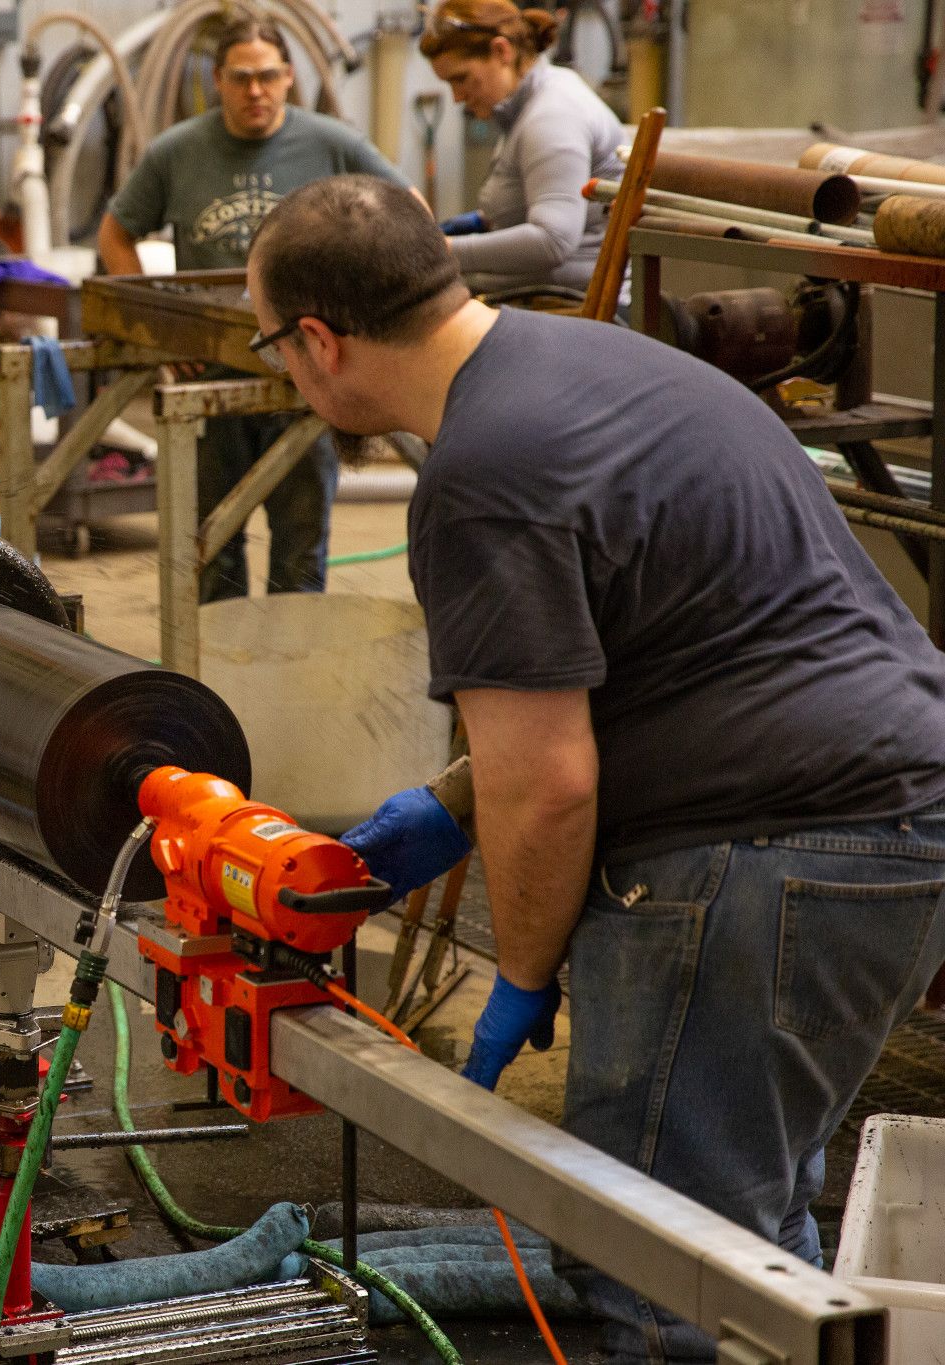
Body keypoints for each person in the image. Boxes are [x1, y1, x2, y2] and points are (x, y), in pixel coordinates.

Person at [252, 175, 945, 1364]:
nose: (282, 372)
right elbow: (661, 648)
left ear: (319, 340)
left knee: (658, 1273)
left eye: (273, 346)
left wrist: (520, 973)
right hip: (898, 820)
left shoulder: (480, 471)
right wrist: (455, 805)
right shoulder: (597, 362)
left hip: (761, 856)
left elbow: (552, 784)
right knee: (757, 1257)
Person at [97, 19, 408, 599]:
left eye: (268, 76)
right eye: (241, 78)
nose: (256, 91)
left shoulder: (330, 143)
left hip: (309, 376)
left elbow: (406, 208)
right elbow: (116, 234)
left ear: (289, 77)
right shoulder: (177, 152)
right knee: (212, 547)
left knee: (301, 548)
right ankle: (222, 678)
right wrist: (165, 328)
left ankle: (289, 678)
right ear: (218, 81)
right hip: (211, 372)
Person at [421, 0, 625, 298]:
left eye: (461, 79)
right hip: (538, 298)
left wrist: (440, 251)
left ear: (501, 51)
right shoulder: (524, 108)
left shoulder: (552, 115)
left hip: (570, 306)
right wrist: (473, 223)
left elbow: (552, 240)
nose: (456, 97)